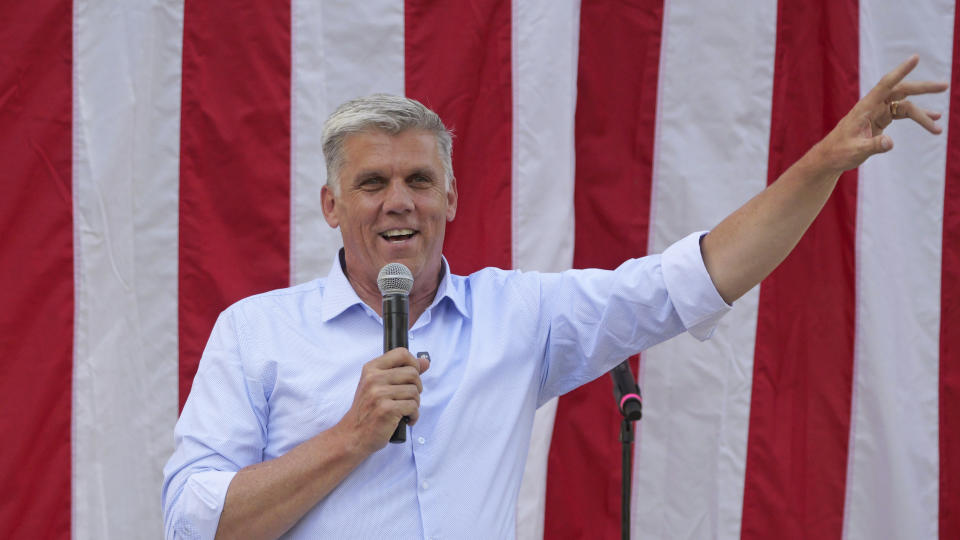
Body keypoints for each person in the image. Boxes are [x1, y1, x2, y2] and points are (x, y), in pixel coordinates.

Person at [162, 56, 947, 539]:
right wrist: (351, 437)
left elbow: (695, 278)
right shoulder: (256, 333)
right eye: (372, 183)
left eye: (419, 181)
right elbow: (193, 523)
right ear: (332, 206)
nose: (398, 202)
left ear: (451, 199)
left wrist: (823, 165)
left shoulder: (518, 317)